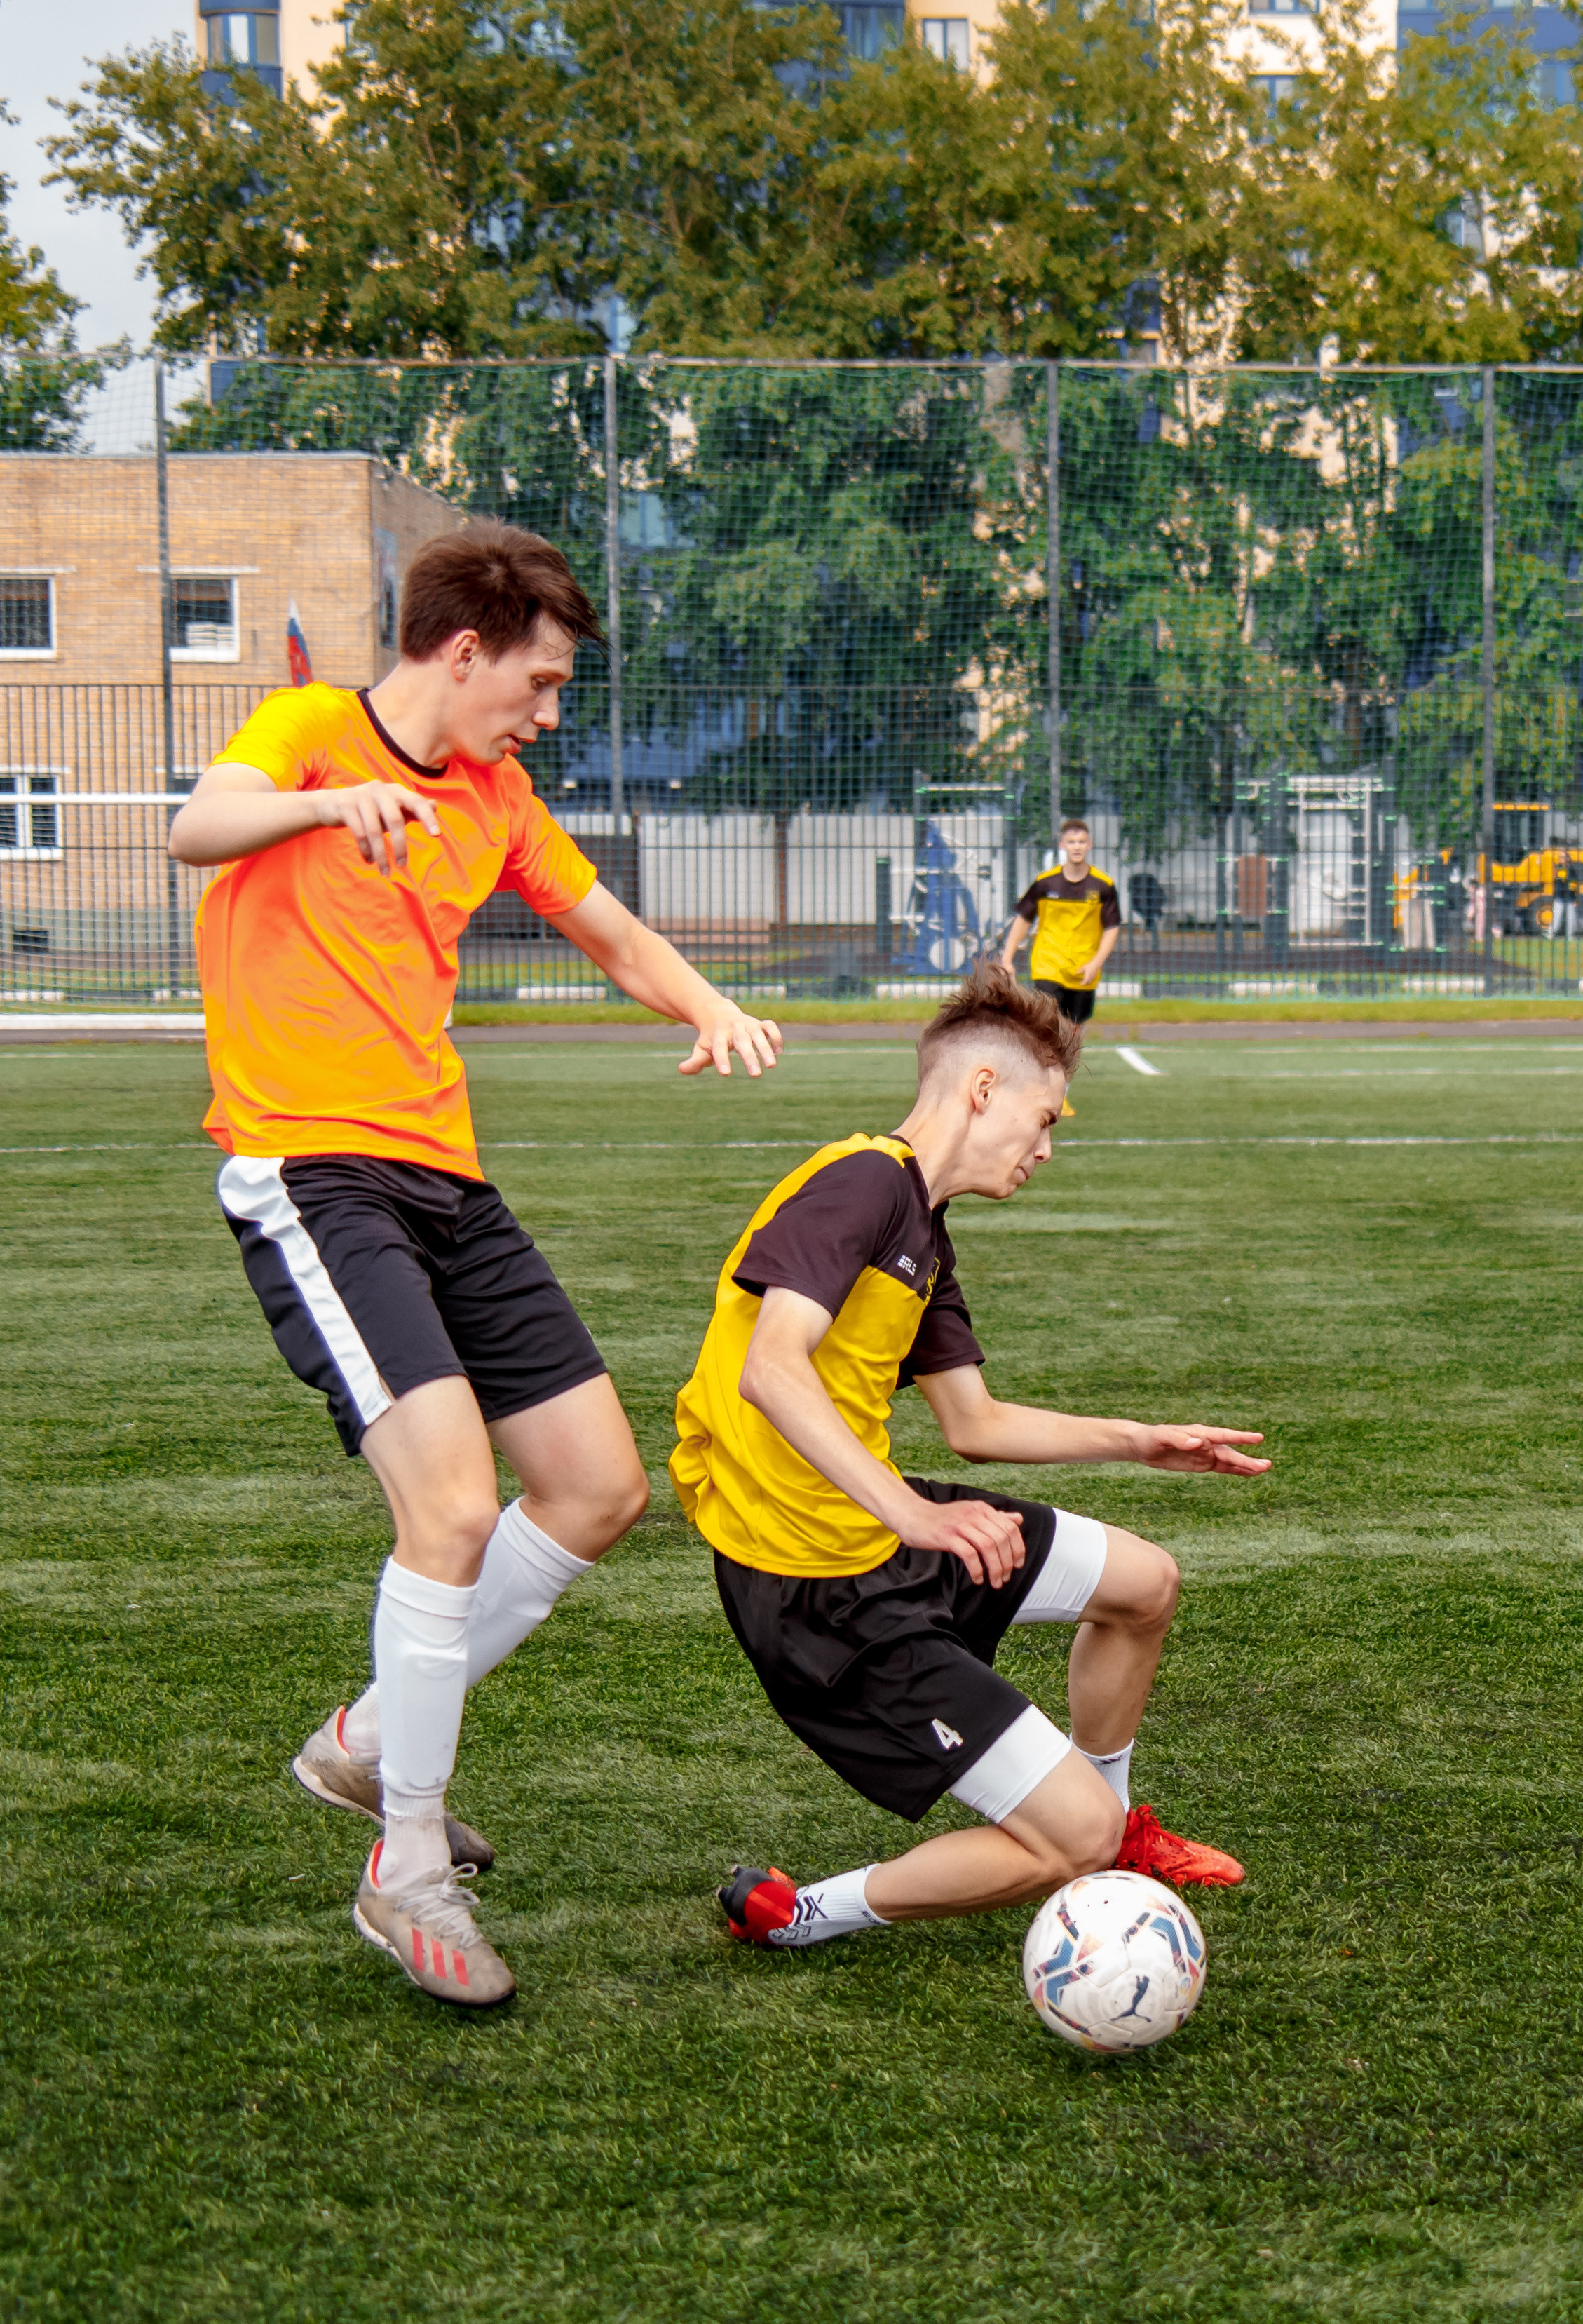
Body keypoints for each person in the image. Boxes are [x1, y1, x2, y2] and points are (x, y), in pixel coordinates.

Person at [168, 518, 782, 2010]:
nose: (549, 711)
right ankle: (408, 1863)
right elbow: (197, 824)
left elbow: (607, 926)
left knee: (597, 1485)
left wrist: (704, 1003)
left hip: (445, 1176)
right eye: (543, 680)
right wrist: (328, 811)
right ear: (463, 652)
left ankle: (371, 1734)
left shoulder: (497, 797)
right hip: (313, 1171)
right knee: (447, 1504)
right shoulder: (313, 730)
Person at [668, 965, 1267, 1956]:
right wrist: (916, 1516)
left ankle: (1113, 1837)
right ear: (981, 1089)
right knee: (1060, 1840)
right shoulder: (863, 1178)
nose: (1043, 1149)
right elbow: (771, 1371)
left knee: (1145, 1584)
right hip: (815, 1587)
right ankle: (802, 1914)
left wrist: (1142, 1441)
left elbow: (974, 1421)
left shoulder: (924, 1230)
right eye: (1043, 1120)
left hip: (880, 1528)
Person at [998, 818, 1121, 1026]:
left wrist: (1096, 963)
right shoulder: (1045, 883)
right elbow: (1023, 919)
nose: (1077, 847)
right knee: (1046, 1023)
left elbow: (1112, 928)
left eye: (1081, 842)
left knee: (1074, 1028)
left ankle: (1067, 1059)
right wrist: (1007, 958)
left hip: (1083, 967)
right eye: (1071, 842)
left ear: (1089, 845)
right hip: (1049, 963)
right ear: (1062, 846)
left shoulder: (1103, 886)